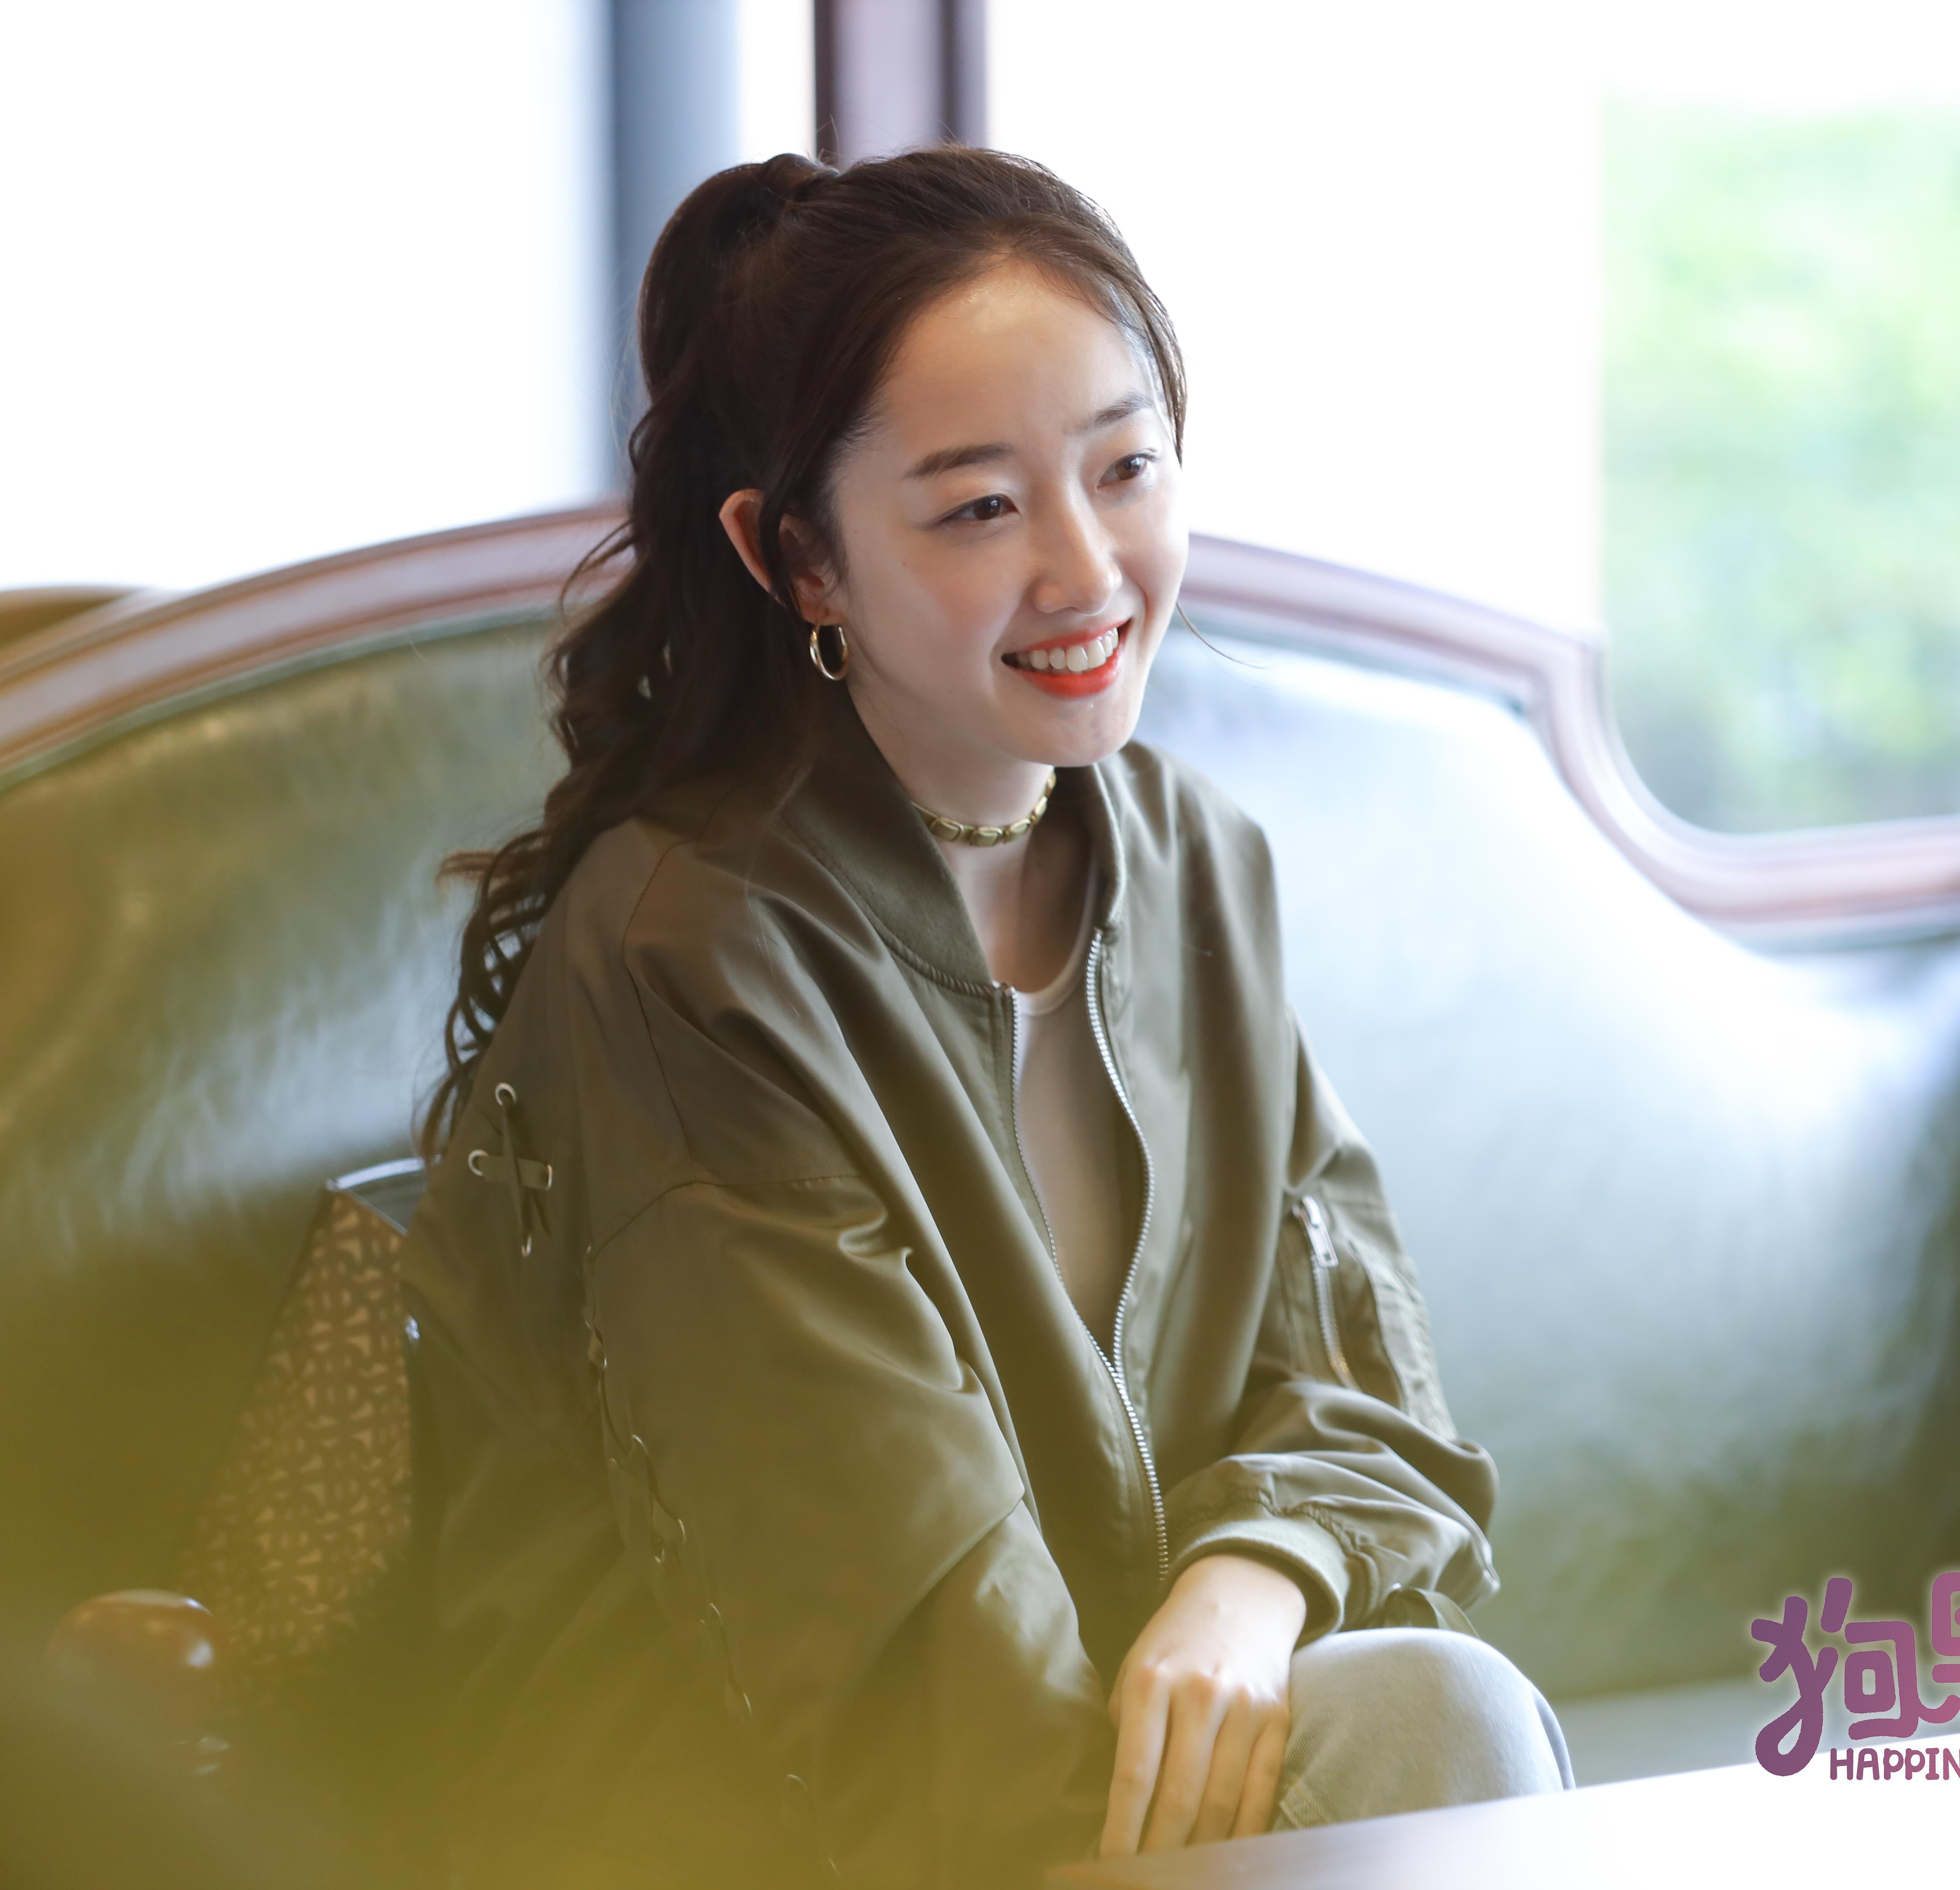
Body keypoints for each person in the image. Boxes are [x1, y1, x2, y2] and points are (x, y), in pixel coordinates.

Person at [399, 145, 1569, 1890]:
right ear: (799, 559)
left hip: (1098, 1755)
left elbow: (1359, 1392)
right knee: (1437, 1728)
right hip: (761, 1824)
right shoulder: (689, 956)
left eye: (1125, 467)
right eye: (977, 510)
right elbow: (904, 1659)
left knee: (1435, 1716)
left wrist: (1253, 1581)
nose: (1087, 570)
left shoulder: (1192, 863)